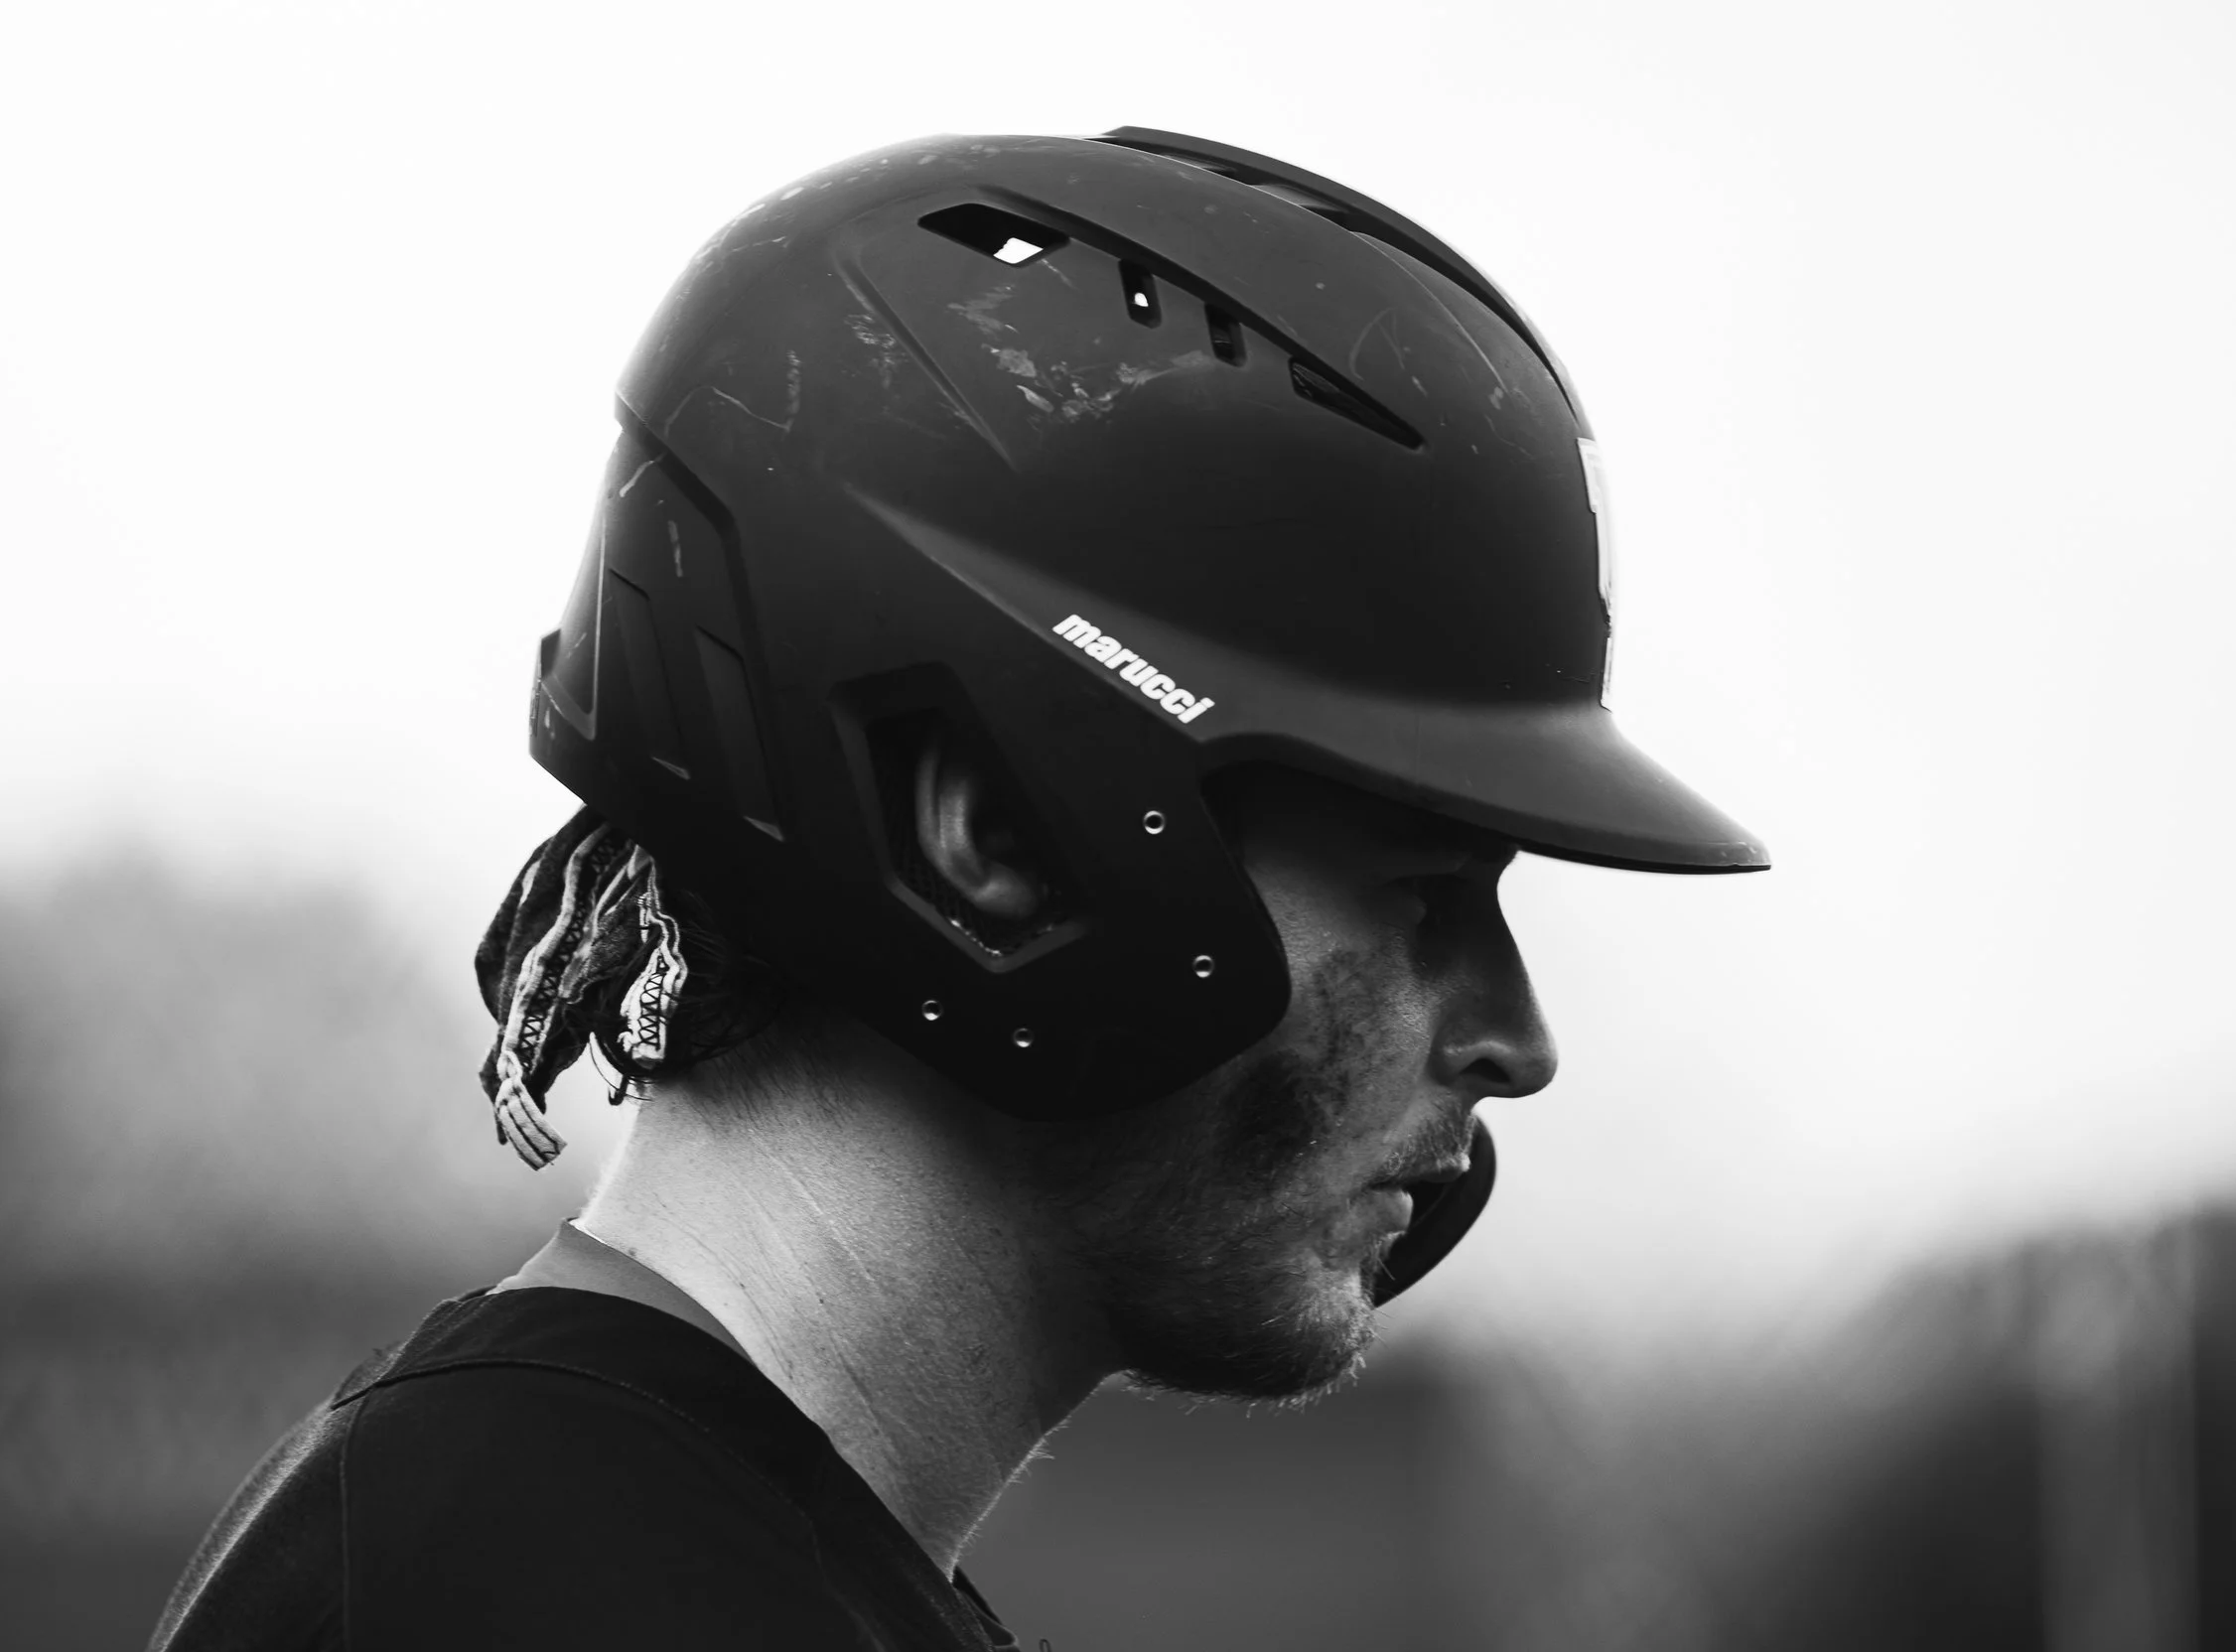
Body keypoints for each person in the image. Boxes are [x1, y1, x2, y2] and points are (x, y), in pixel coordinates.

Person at [150, 126, 1766, 1651]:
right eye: (1426, 891)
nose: (1515, 1036)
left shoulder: (642, 1545)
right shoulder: (525, 1590)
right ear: (990, 827)